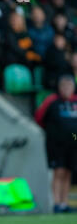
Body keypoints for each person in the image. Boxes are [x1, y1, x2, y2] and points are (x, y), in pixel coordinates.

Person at [35, 74, 77, 213]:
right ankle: (57, 203)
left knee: (68, 172)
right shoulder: (51, 101)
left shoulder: (75, 101)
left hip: (73, 144)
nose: (66, 89)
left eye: (69, 86)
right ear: (59, 88)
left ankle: (64, 203)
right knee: (58, 171)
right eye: (63, 86)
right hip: (56, 143)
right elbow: (39, 117)